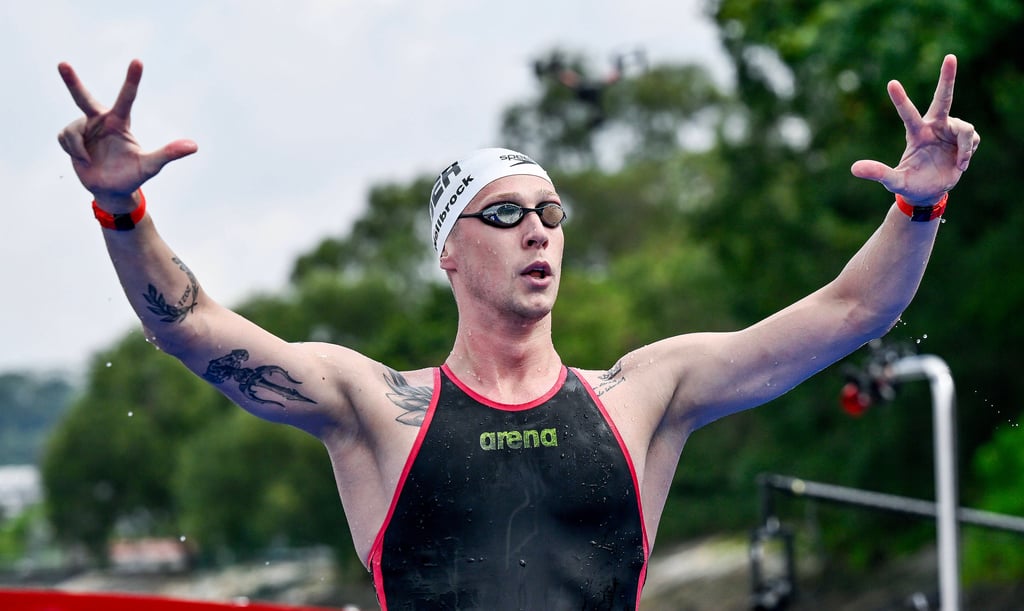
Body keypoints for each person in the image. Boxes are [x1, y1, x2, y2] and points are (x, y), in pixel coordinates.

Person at [57, 54, 979, 610]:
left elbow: (850, 312)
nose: (537, 230)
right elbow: (192, 328)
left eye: (551, 211)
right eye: (504, 214)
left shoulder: (643, 395)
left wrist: (919, 206)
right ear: (450, 253)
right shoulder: (378, 407)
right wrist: (122, 211)